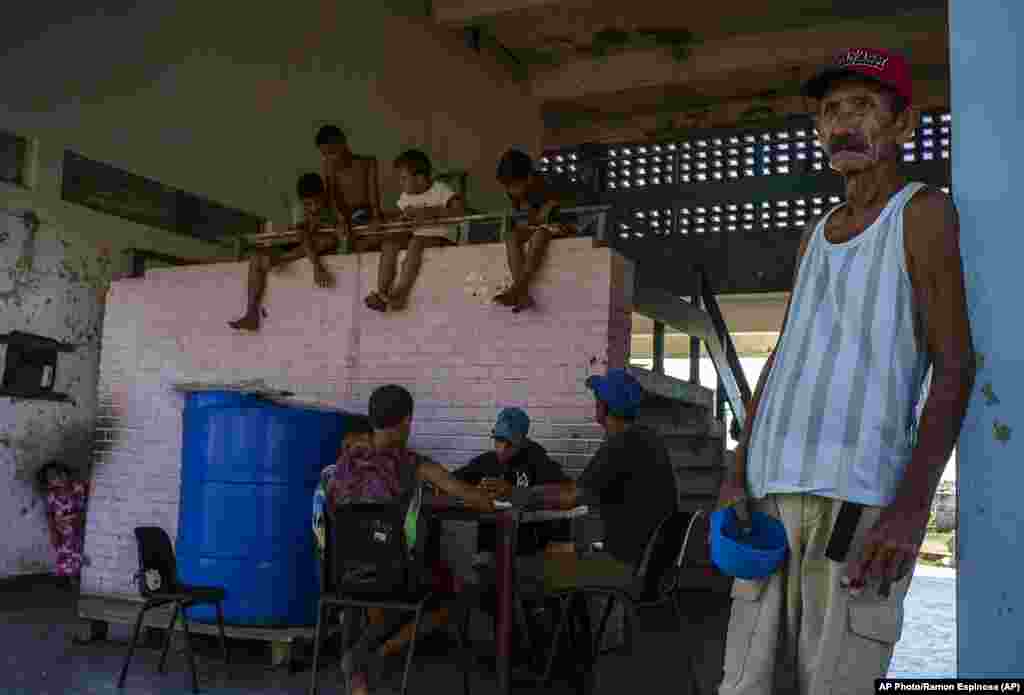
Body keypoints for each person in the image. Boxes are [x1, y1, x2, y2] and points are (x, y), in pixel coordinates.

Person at [715, 48, 975, 695]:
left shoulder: (922, 214)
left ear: (904, 124)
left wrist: (911, 508)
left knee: (833, 683)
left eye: (862, 106)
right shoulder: (815, 232)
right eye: (831, 111)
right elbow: (783, 356)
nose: (842, 125)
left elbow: (955, 365)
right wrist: (734, 469)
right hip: (770, 493)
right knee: (746, 683)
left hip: (857, 498)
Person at [329, 384, 494, 695]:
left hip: (341, 576)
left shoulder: (341, 466)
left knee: (368, 589)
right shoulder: (415, 464)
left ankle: (360, 668)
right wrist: (492, 493)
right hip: (394, 580)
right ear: (406, 421)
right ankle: (368, 654)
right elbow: (477, 501)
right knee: (455, 589)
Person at [507, 369, 677, 590]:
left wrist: (513, 493)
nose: (596, 405)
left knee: (516, 567)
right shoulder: (650, 440)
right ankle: (573, 623)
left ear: (605, 407)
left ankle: (545, 624)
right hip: (650, 566)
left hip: (622, 567)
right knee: (557, 553)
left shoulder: (620, 445)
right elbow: (579, 488)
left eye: (598, 400)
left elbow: (571, 498)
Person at [454, 407, 574, 567]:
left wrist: (517, 492)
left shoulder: (538, 462)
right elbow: (451, 481)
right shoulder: (486, 463)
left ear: (523, 441)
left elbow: (568, 491)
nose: (501, 449)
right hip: (490, 550)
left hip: (529, 553)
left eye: (509, 444)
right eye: (498, 440)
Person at [229, 173, 341, 331]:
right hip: (301, 243)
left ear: (324, 195)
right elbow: (303, 237)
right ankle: (251, 314)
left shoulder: (333, 203)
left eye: (317, 202)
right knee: (256, 258)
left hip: (320, 243)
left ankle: (281, 258)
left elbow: (333, 237)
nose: (314, 207)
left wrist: (314, 265)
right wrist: (317, 266)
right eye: (309, 204)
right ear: (302, 202)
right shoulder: (299, 207)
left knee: (327, 240)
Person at [363, 150, 465, 312]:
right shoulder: (405, 197)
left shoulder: (440, 189)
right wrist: (399, 223)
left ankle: (400, 293)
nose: (401, 183)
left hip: (440, 237)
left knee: (416, 242)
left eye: (403, 178)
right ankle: (382, 292)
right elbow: (398, 222)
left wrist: (429, 212)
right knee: (390, 243)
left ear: (420, 178)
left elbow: (459, 211)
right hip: (416, 237)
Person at [493, 149, 575, 312]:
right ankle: (522, 294)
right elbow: (528, 217)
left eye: (515, 185)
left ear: (529, 176)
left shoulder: (550, 183)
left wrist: (545, 211)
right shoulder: (515, 191)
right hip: (540, 226)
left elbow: (555, 214)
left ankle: (519, 288)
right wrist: (529, 221)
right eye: (508, 187)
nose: (511, 191)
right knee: (510, 236)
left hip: (564, 226)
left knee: (540, 234)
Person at [312, 414, 374, 568]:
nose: (352, 454)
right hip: (344, 563)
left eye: (360, 448)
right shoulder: (329, 476)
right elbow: (318, 524)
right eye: (347, 447)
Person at [315, 124, 382, 236]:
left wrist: (376, 217)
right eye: (325, 155)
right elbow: (330, 201)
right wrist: (339, 220)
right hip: (340, 220)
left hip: (363, 217)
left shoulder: (368, 163)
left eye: (332, 152)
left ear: (343, 143)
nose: (329, 158)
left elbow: (374, 199)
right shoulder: (328, 168)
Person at [36, 462, 90, 590]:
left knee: (77, 554)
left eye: (60, 474)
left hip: (78, 530)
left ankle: (75, 577)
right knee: (64, 554)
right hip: (62, 533)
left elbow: (83, 508)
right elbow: (49, 515)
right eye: (53, 478)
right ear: (49, 483)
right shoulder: (52, 496)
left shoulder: (77, 489)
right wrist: (53, 533)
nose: (59, 479)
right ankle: (66, 578)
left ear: (66, 474)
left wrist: (79, 519)